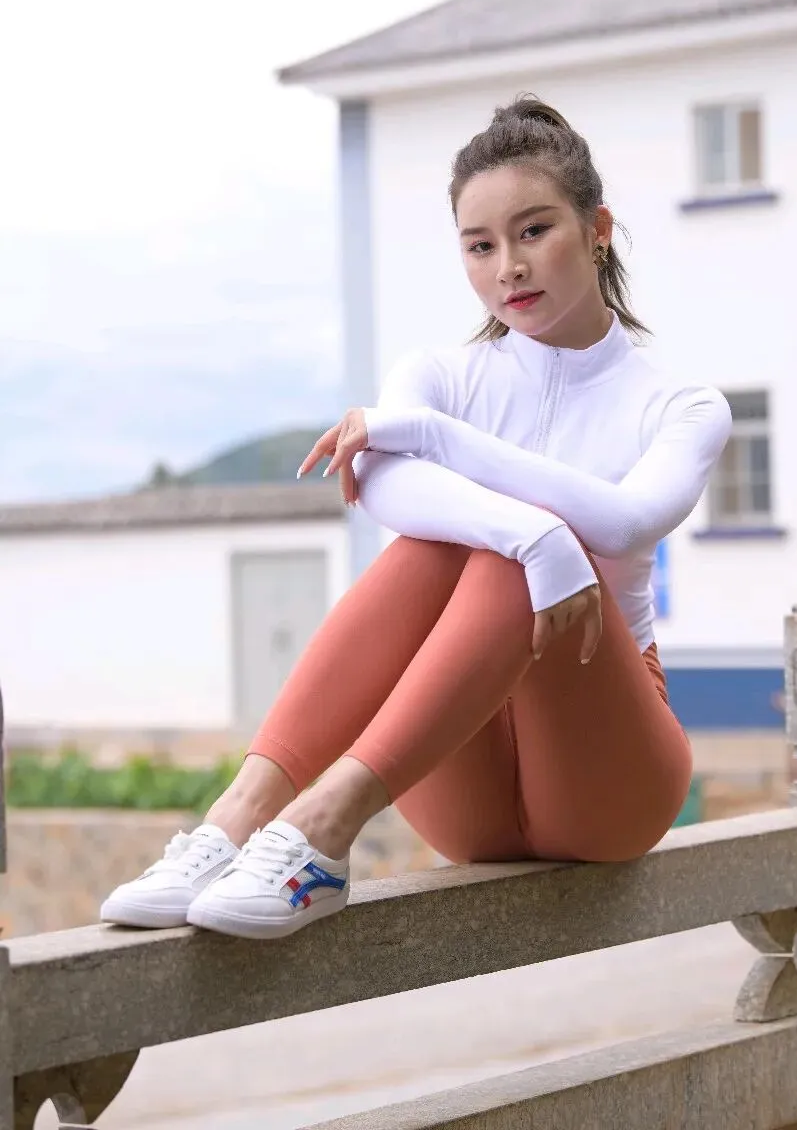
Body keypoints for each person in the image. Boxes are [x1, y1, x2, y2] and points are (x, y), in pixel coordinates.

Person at [100, 96, 731, 941]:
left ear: (597, 230)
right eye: (480, 245)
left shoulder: (680, 403)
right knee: (454, 544)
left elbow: (622, 524)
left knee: (505, 552)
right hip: (460, 780)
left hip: (606, 784)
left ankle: (321, 825)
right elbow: (379, 488)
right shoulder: (438, 373)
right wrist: (532, 534)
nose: (509, 266)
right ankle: (238, 818)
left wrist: (442, 444)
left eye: (534, 230)